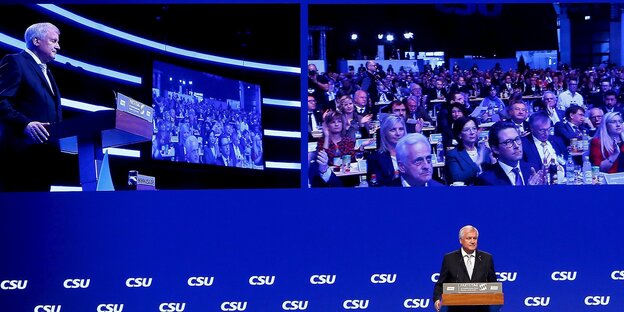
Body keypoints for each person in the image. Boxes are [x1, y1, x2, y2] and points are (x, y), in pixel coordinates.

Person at [0, 22, 62, 191]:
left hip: (44, 157)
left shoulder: (47, 71)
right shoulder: (15, 61)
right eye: (54, 41)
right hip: (21, 156)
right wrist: (24, 124)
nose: (58, 46)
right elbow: (1, 101)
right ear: (36, 41)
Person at [433, 225, 497, 312]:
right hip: (456, 308)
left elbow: (493, 284)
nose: (472, 241)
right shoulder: (449, 258)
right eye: (469, 238)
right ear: (460, 240)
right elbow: (440, 284)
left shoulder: (486, 258)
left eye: (475, 238)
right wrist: (437, 299)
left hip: (481, 308)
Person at [475, 121, 545, 186]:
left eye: (517, 139)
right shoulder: (486, 180)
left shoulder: (533, 169)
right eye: (508, 142)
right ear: (495, 149)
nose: (516, 146)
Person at [444, 117, 495, 185]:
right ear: (459, 135)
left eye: (474, 128)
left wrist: (492, 157)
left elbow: (495, 175)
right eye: (467, 130)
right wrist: (478, 162)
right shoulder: (453, 154)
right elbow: (457, 178)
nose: (472, 132)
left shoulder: (483, 150)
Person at [366, 114, 406, 186]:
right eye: (393, 130)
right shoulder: (374, 159)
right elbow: (377, 186)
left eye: (401, 129)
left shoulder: (411, 154)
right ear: (384, 133)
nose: (398, 133)